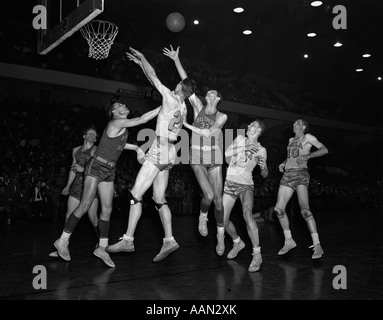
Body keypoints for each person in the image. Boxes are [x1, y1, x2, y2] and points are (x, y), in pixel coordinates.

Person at [106, 47, 196, 262]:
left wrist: (144, 57)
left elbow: (153, 76)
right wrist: (142, 65)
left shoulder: (171, 98)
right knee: (158, 199)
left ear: (181, 89)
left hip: (161, 148)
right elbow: (177, 81)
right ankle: (169, 240)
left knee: (136, 194)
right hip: (172, 152)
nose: (174, 83)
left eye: (178, 83)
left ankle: (128, 239)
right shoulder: (184, 107)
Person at [53, 96, 161, 267]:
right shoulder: (116, 123)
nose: (124, 105)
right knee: (85, 204)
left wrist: (136, 148)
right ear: (114, 112)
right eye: (120, 105)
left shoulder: (120, 128)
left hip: (109, 170)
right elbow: (141, 119)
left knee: (108, 209)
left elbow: (119, 144)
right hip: (96, 166)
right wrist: (164, 106)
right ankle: (63, 240)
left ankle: (102, 248)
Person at [163, 45, 227, 256]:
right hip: (197, 155)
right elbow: (187, 82)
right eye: (207, 91)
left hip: (214, 156)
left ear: (217, 98)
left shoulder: (221, 116)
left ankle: (219, 235)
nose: (208, 92)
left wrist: (186, 126)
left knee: (218, 199)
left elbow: (211, 132)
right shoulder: (198, 106)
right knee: (208, 195)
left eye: (212, 92)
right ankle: (202, 216)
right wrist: (176, 60)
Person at [274, 119, 328, 259]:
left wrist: (308, 155)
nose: (294, 124)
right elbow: (291, 157)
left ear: (303, 127)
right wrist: (283, 162)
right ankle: (289, 240)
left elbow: (324, 150)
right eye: (294, 123)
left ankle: (317, 245)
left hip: (301, 174)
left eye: (297, 123)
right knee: (279, 210)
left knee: (305, 210)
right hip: (287, 174)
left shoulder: (308, 137)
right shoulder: (291, 139)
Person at [223, 120, 268, 272]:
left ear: (259, 130)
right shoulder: (240, 139)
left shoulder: (262, 150)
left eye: (253, 125)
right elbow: (226, 154)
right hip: (230, 182)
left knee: (247, 213)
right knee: (222, 220)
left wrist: (263, 167)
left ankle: (257, 254)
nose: (249, 126)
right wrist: (244, 146)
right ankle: (237, 242)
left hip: (246, 184)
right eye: (249, 125)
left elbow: (265, 174)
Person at [49, 127, 99, 258]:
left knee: (93, 217)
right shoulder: (75, 150)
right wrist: (68, 185)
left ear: (96, 138)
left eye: (94, 134)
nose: (92, 135)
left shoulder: (96, 150)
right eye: (89, 133)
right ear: (84, 136)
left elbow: (97, 168)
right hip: (76, 186)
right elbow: (73, 168)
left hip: (90, 186)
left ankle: (101, 243)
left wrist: (84, 169)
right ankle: (62, 246)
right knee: (68, 215)